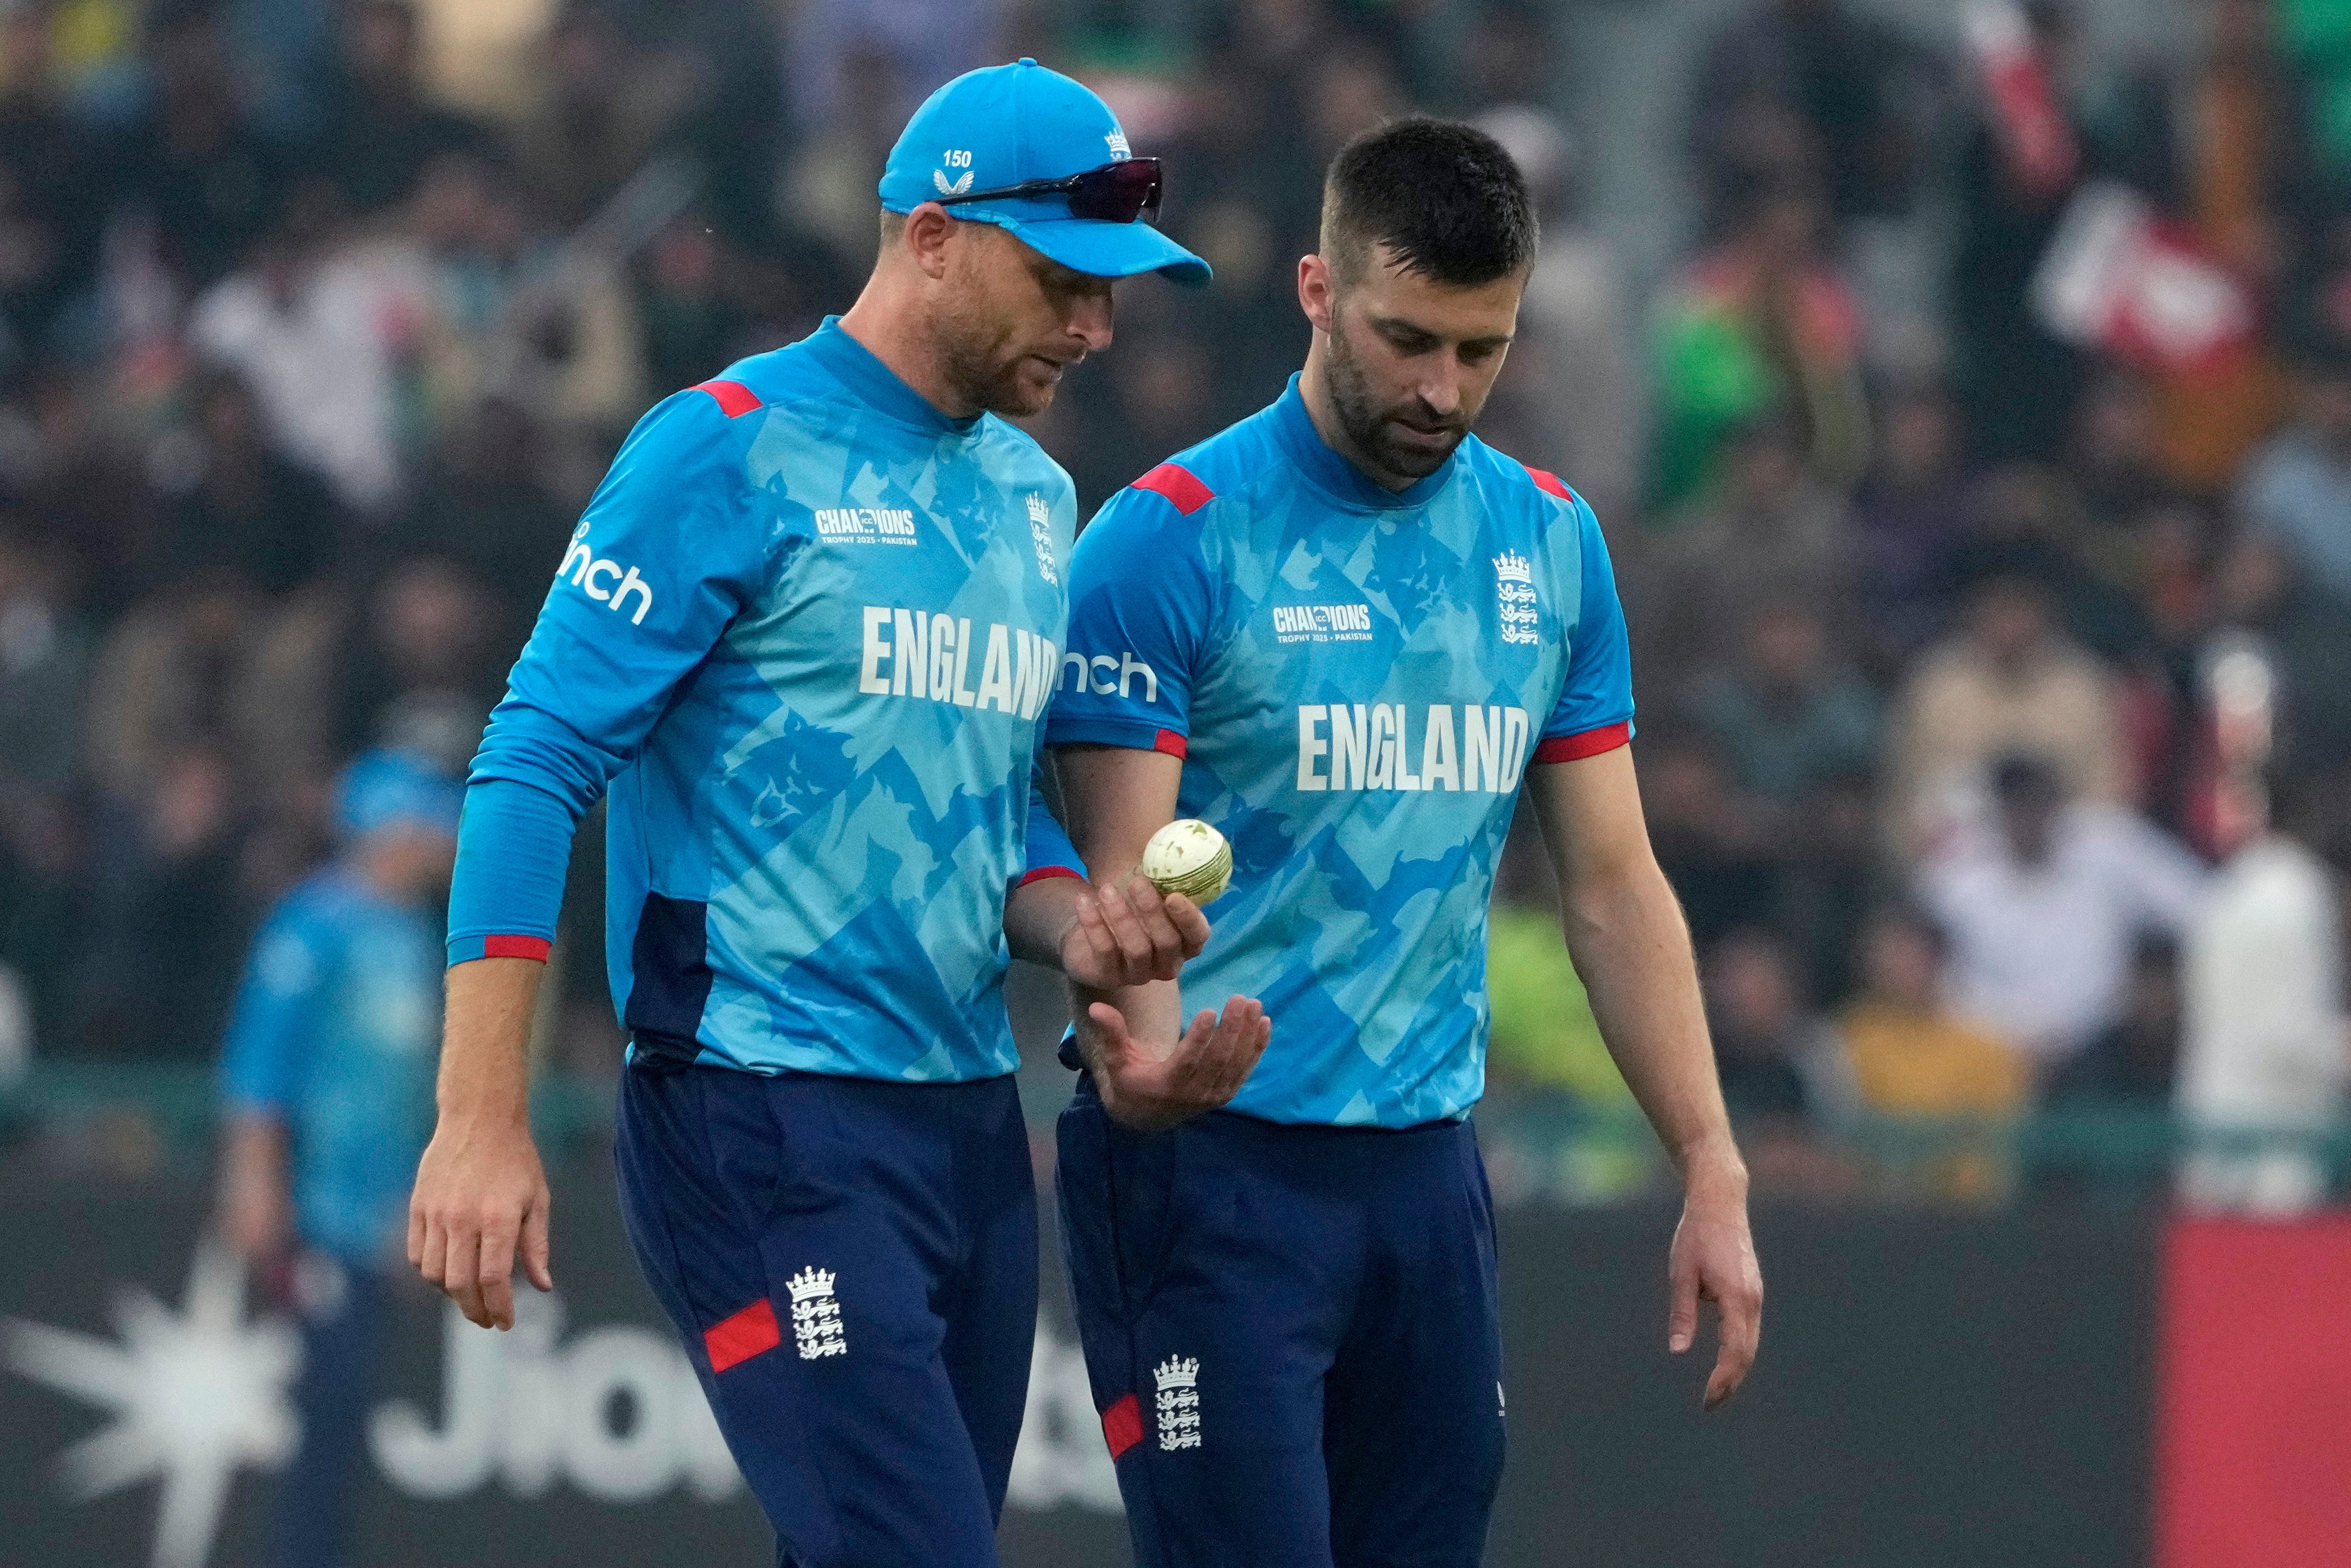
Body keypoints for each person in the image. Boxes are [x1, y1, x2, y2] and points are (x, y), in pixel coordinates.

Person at [407, 62, 1269, 1567]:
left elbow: (993, 814)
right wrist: (479, 1118)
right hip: (757, 1106)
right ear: (930, 233)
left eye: (1114, 292)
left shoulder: (1031, 493)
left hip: (965, 1121)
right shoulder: (720, 446)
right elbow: (532, 760)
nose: (1094, 325)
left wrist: (1089, 923)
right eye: (1063, 279)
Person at [1043, 118, 1761, 1566]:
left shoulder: (1548, 542)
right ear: (1315, 289)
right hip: (1208, 1161)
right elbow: (1121, 885)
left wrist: (1708, 1158)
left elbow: (1612, 884)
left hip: (1424, 1181)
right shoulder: (1165, 540)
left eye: (1479, 350)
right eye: (1407, 338)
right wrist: (1142, 1058)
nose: (1442, 389)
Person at [216, 749, 461, 1568]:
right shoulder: (311, 922)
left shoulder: (416, 936)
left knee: (349, 1405)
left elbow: (413, 1091)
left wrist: (409, 1206)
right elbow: (261, 1069)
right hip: (313, 1209)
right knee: (319, 1404)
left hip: (373, 1212)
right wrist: (258, 1188)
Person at [1918, 752, 2204, 1074]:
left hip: (2105, 1049)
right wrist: (2014, 1038)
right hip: (1990, 1058)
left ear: (2057, 804)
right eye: (2015, 807)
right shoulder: (1955, 881)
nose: (2027, 817)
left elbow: (2200, 907)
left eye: (2035, 804)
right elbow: (1939, 980)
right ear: (1996, 811)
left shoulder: (2111, 846)